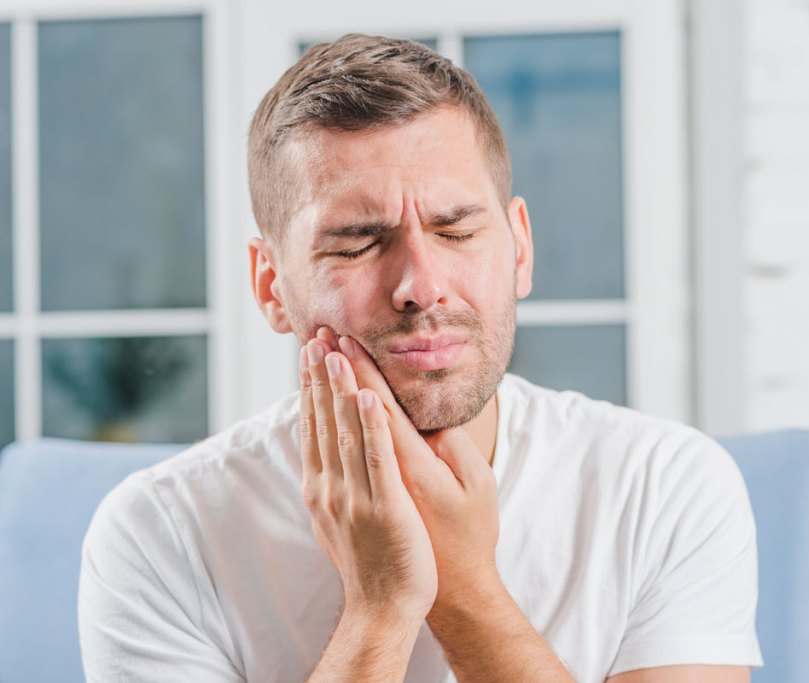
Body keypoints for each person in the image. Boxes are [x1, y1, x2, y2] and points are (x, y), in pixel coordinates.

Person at [78, 34, 763, 682]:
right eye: (354, 244)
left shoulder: (667, 488)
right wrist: (381, 606)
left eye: (456, 228)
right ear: (271, 286)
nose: (421, 285)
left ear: (519, 249)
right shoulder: (158, 536)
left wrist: (464, 587)